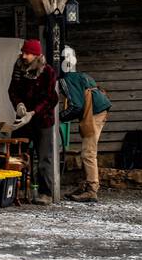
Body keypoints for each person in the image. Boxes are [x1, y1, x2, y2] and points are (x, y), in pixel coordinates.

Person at [57, 46, 111, 203]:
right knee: (88, 152)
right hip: (98, 110)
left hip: (94, 113)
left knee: (88, 152)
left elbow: (76, 106)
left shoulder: (66, 79)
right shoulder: (81, 76)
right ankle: (86, 184)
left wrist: (59, 117)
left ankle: (91, 190)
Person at [9, 38, 60, 204]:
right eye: (23, 52)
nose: (24, 55)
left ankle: (46, 193)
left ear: (36, 55)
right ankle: (15, 191)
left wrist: (33, 112)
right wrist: (19, 104)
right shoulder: (19, 67)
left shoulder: (48, 72)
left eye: (28, 53)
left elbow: (50, 98)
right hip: (22, 119)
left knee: (44, 157)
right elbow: (12, 89)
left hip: (43, 120)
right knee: (17, 154)